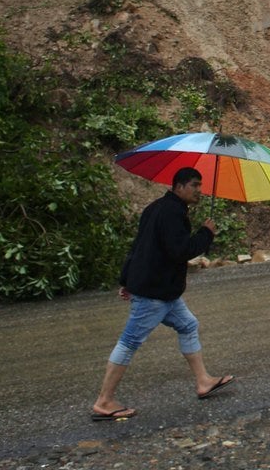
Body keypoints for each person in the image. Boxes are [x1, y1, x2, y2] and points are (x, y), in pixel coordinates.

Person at [91, 167, 234, 421]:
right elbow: (180, 251)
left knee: (188, 325)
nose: (199, 191)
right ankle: (104, 401)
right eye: (194, 185)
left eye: (200, 185)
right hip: (155, 292)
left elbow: (139, 247)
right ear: (178, 186)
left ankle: (203, 381)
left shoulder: (155, 208)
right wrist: (206, 233)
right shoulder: (172, 213)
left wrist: (126, 280)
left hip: (163, 291)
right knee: (130, 342)